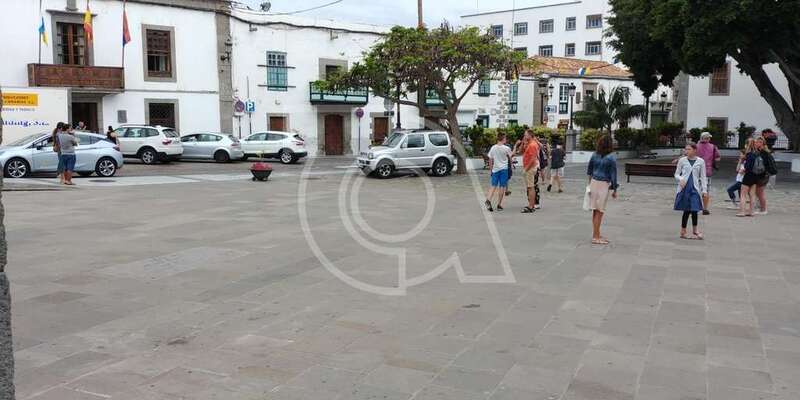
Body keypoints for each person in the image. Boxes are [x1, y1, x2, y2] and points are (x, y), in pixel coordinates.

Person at [587, 134, 618, 244]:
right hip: (603, 184)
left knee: (595, 210)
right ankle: (596, 237)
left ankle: (596, 233)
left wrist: (589, 185)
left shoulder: (594, 155)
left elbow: (589, 171)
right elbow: (613, 175)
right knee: (600, 211)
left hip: (593, 182)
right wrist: (614, 189)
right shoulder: (611, 158)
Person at [674, 143, 707, 240]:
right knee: (687, 210)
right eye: (686, 149)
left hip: (695, 188)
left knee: (695, 209)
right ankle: (683, 231)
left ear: (695, 150)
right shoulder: (682, 160)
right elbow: (676, 174)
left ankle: (695, 230)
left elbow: (703, 177)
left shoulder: (701, 161)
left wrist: (704, 190)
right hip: (684, 188)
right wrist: (681, 179)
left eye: (689, 149)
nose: (686, 151)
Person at [484, 133, 513, 212]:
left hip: (495, 169)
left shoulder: (493, 147)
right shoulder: (507, 148)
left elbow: (490, 159)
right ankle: (499, 205)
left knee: (493, 186)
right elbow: (510, 158)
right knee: (502, 186)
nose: (506, 140)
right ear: (503, 139)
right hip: (504, 169)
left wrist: (491, 170)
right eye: (505, 138)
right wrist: (511, 167)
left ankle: (488, 199)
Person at [696, 132, 720, 215]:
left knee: (695, 189)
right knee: (705, 190)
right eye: (709, 138)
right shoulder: (713, 147)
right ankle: (705, 209)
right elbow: (717, 158)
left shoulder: (695, 146)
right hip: (707, 171)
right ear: (708, 138)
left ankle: (694, 207)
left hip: (696, 171)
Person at [738, 139, 763, 217]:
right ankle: (751, 212)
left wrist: (743, 170)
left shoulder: (749, 154)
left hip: (748, 175)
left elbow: (748, 166)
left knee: (743, 194)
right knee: (752, 195)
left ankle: (742, 212)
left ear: (748, 145)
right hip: (756, 175)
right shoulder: (757, 153)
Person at [752, 136, 777, 215]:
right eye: (756, 142)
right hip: (760, 175)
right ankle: (761, 208)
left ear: (763, 143)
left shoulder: (764, 153)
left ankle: (764, 210)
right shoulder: (759, 152)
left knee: (760, 193)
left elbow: (766, 165)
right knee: (758, 193)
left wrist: (766, 173)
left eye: (759, 142)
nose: (757, 143)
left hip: (763, 175)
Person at [519, 130, 540, 213]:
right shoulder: (529, 144)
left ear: (530, 135)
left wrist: (526, 169)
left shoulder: (532, 145)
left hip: (530, 168)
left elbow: (533, 159)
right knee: (530, 187)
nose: (524, 136)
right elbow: (520, 151)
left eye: (525, 135)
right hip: (529, 168)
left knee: (531, 187)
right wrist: (522, 142)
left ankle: (531, 206)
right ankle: (531, 205)